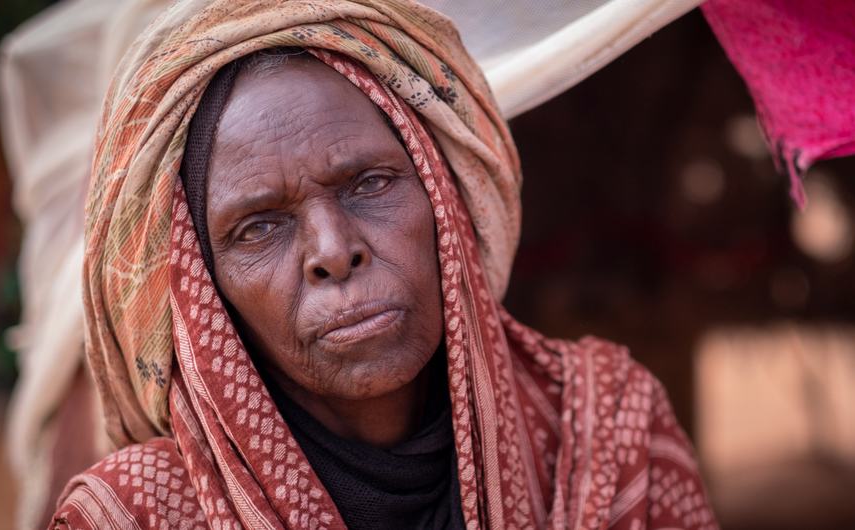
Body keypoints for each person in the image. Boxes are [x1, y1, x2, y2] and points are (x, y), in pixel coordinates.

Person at [52, 1, 717, 528]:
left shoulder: (606, 432)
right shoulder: (140, 514)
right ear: (204, 294)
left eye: (369, 183)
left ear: (444, 196)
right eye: (258, 227)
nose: (335, 250)